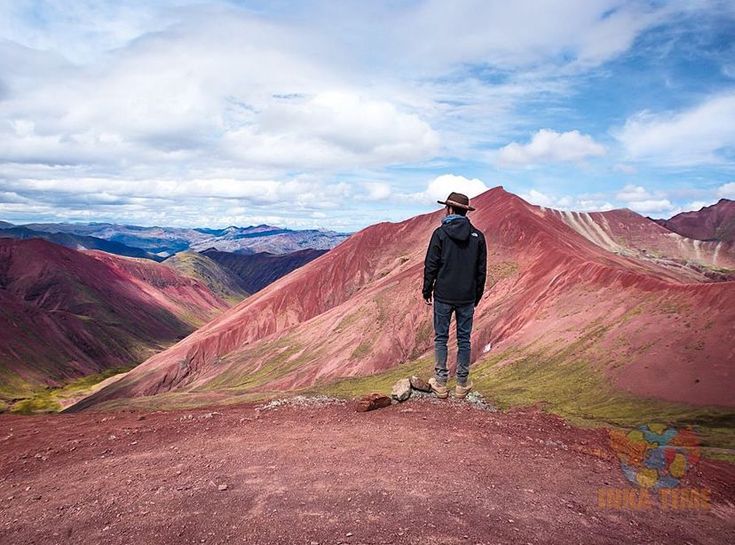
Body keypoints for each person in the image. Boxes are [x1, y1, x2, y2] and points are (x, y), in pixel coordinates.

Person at [422, 192, 487, 399]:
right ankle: (461, 384)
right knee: (464, 340)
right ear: (465, 212)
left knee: (441, 338)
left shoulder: (440, 234)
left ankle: (440, 383)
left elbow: (431, 265)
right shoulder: (478, 236)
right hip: (466, 297)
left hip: (443, 295)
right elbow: (481, 271)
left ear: (449, 209)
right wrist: (476, 296)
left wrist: (427, 290)